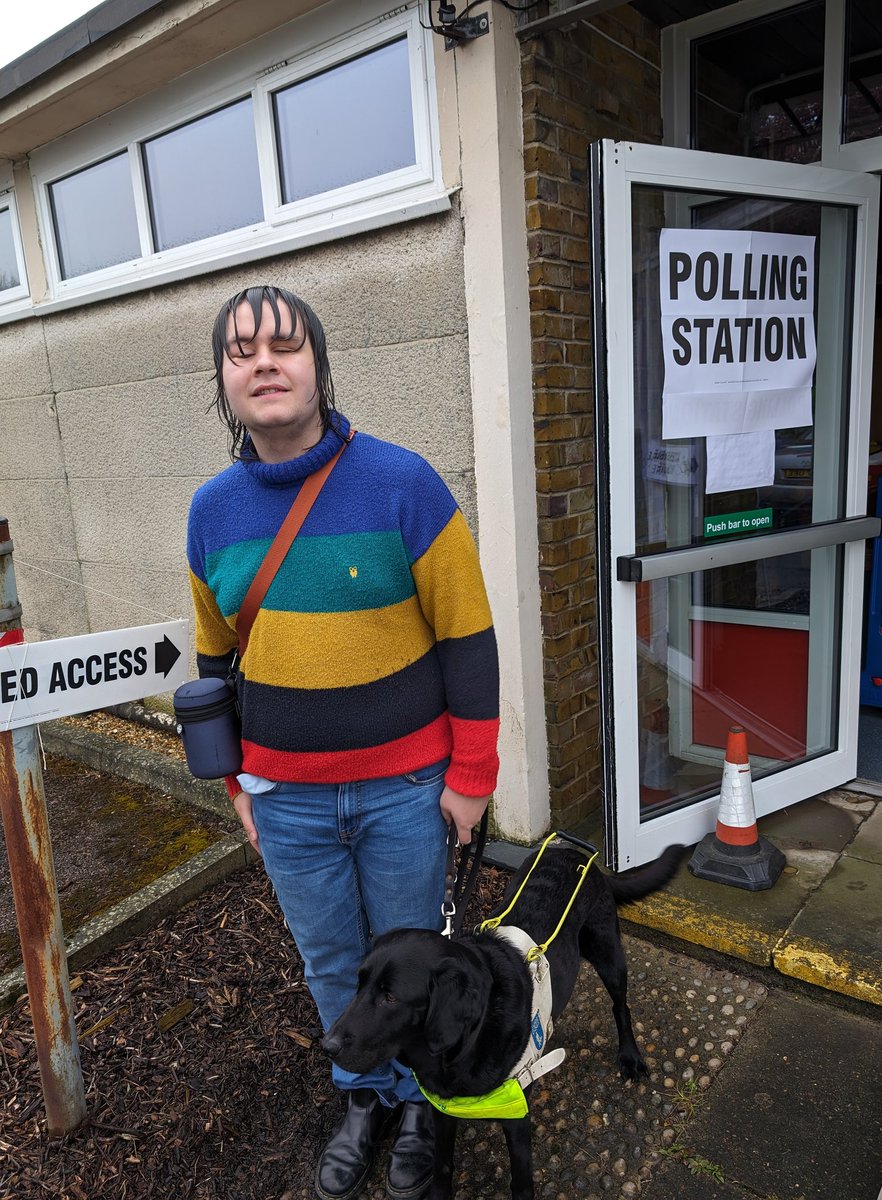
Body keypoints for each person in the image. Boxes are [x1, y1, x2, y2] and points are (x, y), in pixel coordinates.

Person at [186, 285, 500, 1200]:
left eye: (285, 345)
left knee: (409, 959)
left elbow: (468, 639)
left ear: (319, 365)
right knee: (330, 961)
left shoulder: (404, 483)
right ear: (224, 381)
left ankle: (414, 1100)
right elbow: (216, 664)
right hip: (287, 801)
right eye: (242, 352)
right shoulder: (211, 510)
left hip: (408, 787)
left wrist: (472, 777)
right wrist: (240, 788)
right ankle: (361, 1093)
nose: (265, 363)